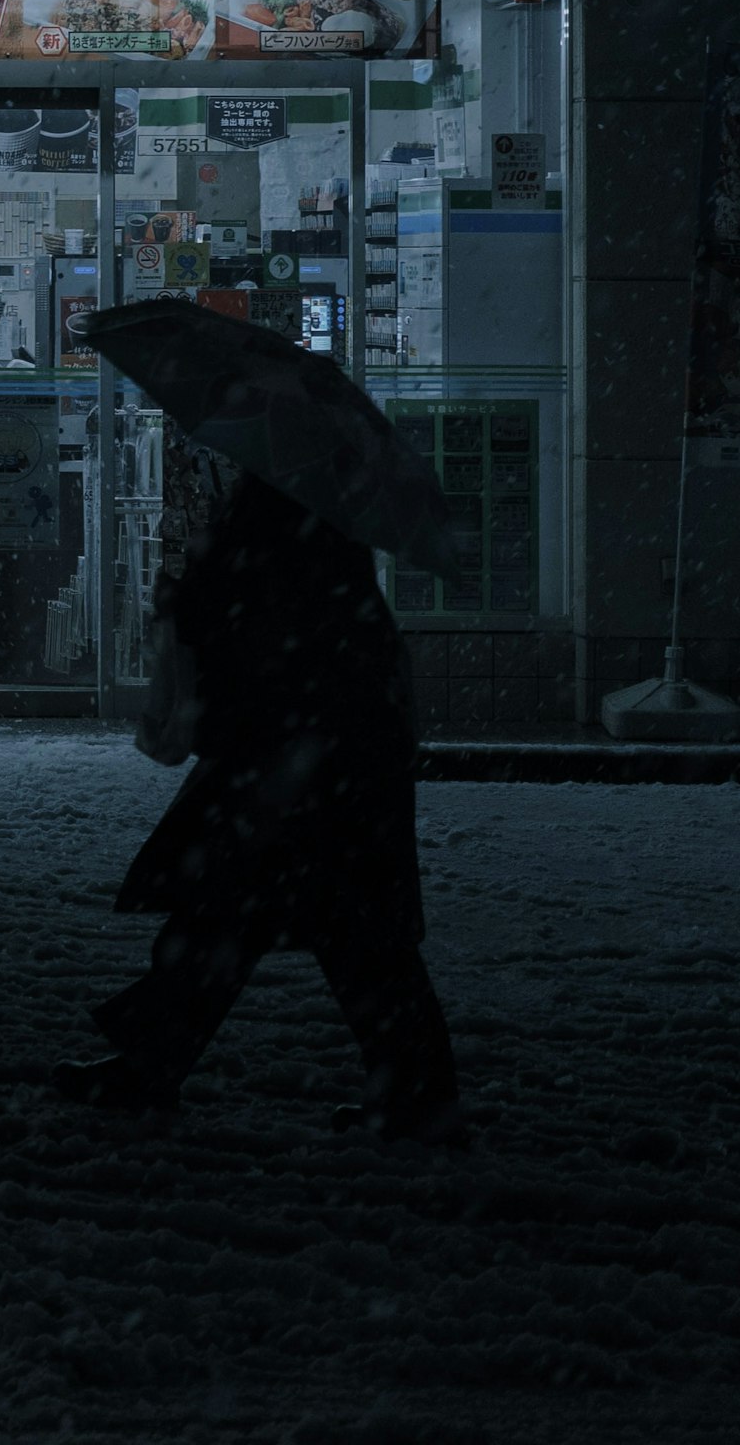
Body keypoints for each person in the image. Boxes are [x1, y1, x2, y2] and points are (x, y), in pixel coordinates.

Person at [55, 448, 464, 1141]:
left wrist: (186, 602)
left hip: (294, 759)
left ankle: (153, 1065)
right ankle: (415, 1090)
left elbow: (244, 612)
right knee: (314, 924)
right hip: (322, 754)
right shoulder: (319, 513)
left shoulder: (278, 503)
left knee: (247, 916)